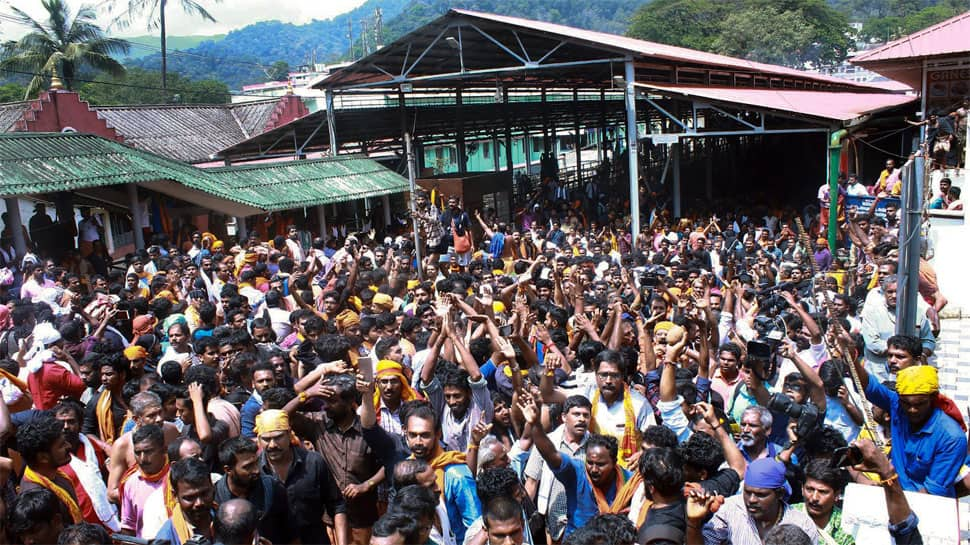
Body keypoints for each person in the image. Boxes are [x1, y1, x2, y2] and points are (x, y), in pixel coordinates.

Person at [520, 395, 633, 538]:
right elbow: (549, 456)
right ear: (563, 417)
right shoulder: (577, 470)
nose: (593, 469)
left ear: (614, 462)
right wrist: (536, 425)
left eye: (600, 464)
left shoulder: (627, 479)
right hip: (564, 530)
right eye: (590, 463)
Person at [854, 363, 967, 496]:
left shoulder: (951, 438)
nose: (912, 410)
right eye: (906, 403)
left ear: (933, 398)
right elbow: (868, 386)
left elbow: (931, 493)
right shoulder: (897, 405)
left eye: (919, 404)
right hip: (895, 493)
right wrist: (852, 357)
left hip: (924, 503)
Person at [256, 409, 349, 545]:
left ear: (289, 434)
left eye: (278, 437)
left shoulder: (313, 462)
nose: (272, 445)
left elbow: (337, 505)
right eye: (266, 439)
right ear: (259, 439)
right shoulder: (255, 471)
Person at [401, 400, 481, 544]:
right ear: (404, 432)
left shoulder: (457, 474)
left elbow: (476, 527)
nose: (418, 441)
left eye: (425, 435)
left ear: (438, 434)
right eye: (413, 435)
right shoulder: (406, 470)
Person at [695, 458, 818, 544]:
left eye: (761, 495)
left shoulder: (802, 524)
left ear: (779, 494)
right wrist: (693, 523)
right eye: (747, 492)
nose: (752, 500)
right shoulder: (729, 510)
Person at [214, 437, 291, 545]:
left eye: (256, 462)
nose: (256, 470)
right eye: (247, 467)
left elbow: (292, 535)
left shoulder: (272, 489)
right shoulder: (216, 499)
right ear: (228, 470)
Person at [16, 412, 83, 525]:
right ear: (43, 457)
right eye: (62, 445)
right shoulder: (36, 498)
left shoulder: (55, 475)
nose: (69, 446)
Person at [118, 424, 170, 538]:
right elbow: (128, 527)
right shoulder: (131, 483)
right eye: (137, 453)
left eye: (148, 452)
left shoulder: (176, 477)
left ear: (164, 450)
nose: (142, 459)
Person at [153, 457, 216, 545]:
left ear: (212, 487)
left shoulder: (227, 520)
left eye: (204, 494)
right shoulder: (166, 538)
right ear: (175, 496)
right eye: (190, 498)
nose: (199, 503)